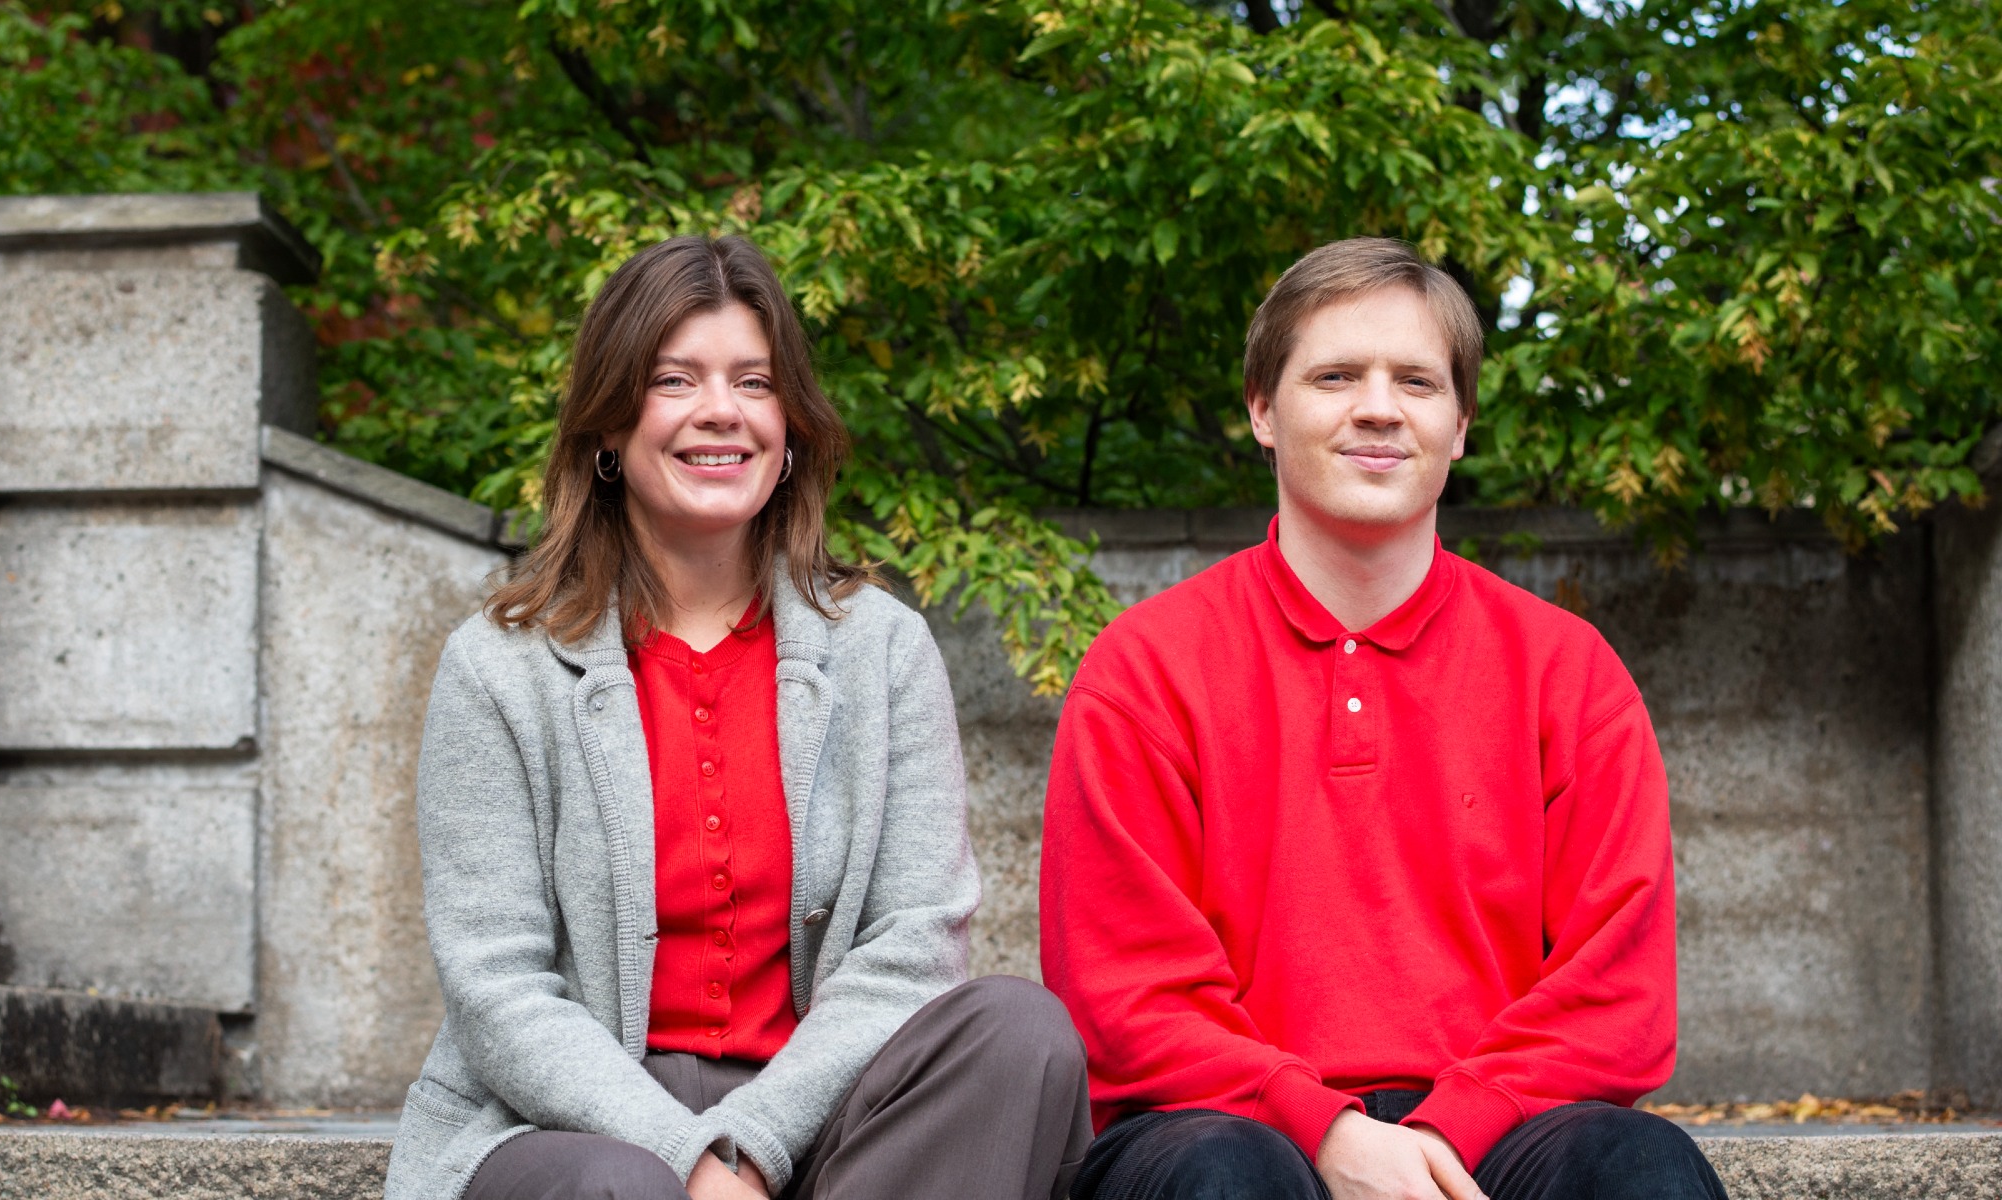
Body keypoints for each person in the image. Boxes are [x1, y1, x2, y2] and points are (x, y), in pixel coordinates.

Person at [383, 234, 1093, 1200]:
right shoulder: (499, 667)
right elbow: (496, 990)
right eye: (675, 380)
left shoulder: (881, 650)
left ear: (791, 425)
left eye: (754, 383)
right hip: (570, 1126)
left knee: (1020, 1033)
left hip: (825, 1116)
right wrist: (689, 1162)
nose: (722, 411)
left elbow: (916, 942)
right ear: (606, 427)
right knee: (622, 1192)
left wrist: (752, 1144)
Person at [1040, 238, 1728, 1200]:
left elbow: (1619, 995)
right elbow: (1126, 997)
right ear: (1261, 411)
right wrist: (1325, 1130)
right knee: (1220, 1176)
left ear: (1459, 425)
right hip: (1229, 1129)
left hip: (1496, 1131)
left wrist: (1445, 1134)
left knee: (1640, 1169)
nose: (1377, 406)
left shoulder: (1569, 672)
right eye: (1333, 376)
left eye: (1416, 380)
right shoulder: (1145, 671)